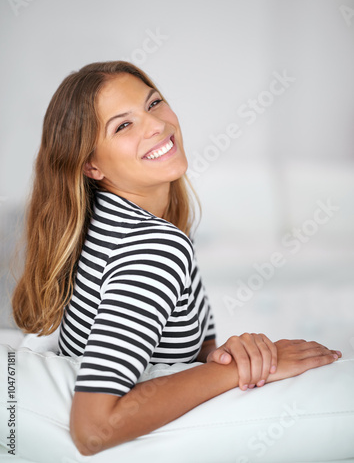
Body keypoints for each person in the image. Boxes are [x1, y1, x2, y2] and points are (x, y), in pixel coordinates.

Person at [11, 61, 342, 456]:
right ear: (91, 165)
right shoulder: (154, 246)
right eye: (123, 125)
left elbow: (180, 344)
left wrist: (231, 352)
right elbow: (93, 427)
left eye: (153, 103)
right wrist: (232, 371)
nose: (155, 125)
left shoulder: (102, 222)